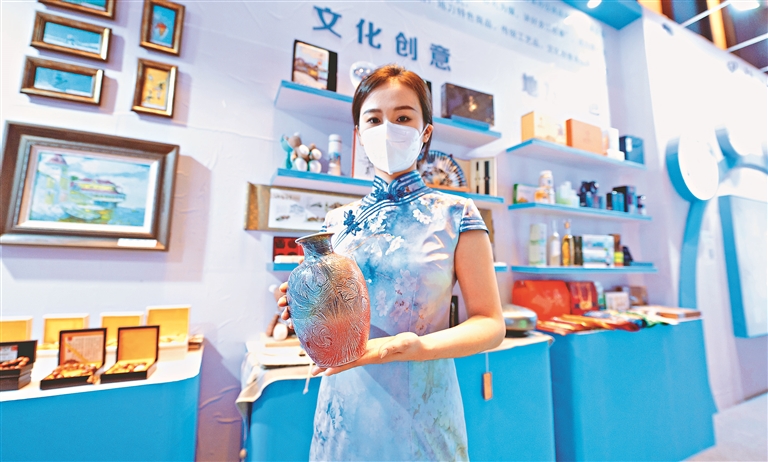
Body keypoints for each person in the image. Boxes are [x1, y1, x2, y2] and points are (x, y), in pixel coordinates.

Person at [279, 64, 505, 461]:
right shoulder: (336, 222)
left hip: (423, 407)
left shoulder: (456, 213)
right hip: (343, 409)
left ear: (425, 132)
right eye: (374, 119)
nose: (388, 128)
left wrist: (418, 347)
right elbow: (329, 312)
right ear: (359, 134)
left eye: (402, 117)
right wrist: (302, 306)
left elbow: (490, 323)